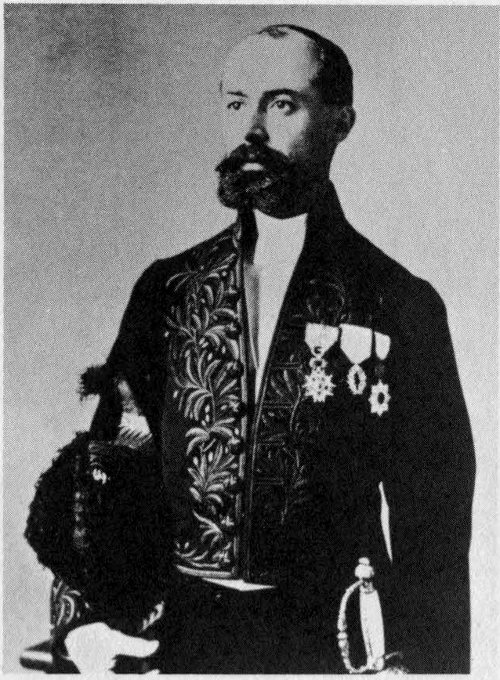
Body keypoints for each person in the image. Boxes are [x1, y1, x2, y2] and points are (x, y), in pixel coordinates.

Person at [25, 24, 475, 674]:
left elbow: (435, 519)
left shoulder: (400, 303)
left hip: (333, 647)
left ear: (341, 121)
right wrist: (85, 625)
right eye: (237, 102)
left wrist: (428, 667)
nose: (252, 129)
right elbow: (108, 470)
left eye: (282, 104)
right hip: (181, 643)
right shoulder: (170, 291)